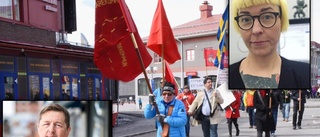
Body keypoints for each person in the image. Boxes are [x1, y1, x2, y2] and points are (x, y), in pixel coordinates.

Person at [229, 0, 309, 89]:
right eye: (246, 19)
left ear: (281, 21)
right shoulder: (226, 78)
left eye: (267, 17)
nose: (256, 30)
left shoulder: (305, 74)